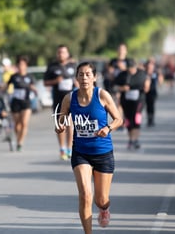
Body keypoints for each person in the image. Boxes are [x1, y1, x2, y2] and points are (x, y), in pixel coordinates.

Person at [54, 61, 123, 233]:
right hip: (80, 153)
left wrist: (107, 128)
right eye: (81, 74)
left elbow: (118, 119)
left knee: (101, 199)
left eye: (88, 74)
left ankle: (104, 208)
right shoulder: (69, 98)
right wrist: (60, 126)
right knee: (85, 195)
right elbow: (61, 121)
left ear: (94, 77)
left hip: (103, 152)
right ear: (76, 77)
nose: (84, 78)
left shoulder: (102, 95)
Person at [44, 44, 77, 160]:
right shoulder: (52, 66)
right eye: (59, 52)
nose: (61, 54)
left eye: (63, 52)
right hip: (58, 99)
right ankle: (62, 148)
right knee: (60, 124)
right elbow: (45, 82)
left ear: (67, 54)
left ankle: (69, 148)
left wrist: (77, 84)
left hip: (71, 98)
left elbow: (79, 79)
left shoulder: (73, 65)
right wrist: (55, 81)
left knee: (70, 124)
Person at [114, 59, 150, 149]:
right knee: (129, 121)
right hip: (126, 100)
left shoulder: (142, 73)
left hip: (139, 100)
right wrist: (122, 88)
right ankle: (131, 140)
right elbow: (114, 86)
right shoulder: (123, 75)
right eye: (129, 68)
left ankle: (136, 139)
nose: (131, 70)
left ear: (136, 67)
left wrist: (147, 85)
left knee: (136, 119)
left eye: (133, 68)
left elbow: (147, 82)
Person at [5, 55, 37, 151]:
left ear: (26, 65)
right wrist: (1, 88)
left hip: (26, 102)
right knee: (17, 124)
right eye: (19, 64)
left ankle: (20, 142)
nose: (21, 66)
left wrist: (34, 90)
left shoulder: (29, 77)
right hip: (15, 102)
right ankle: (18, 137)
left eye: (23, 64)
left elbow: (32, 86)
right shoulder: (14, 76)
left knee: (24, 123)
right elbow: (6, 86)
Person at [145, 59, 164, 127]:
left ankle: (151, 119)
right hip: (145, 92)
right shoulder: (144, 73)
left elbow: (160, 80)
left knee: (152, 106)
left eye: (151, 66)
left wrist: (160, 78)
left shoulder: (156, 73)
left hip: (153, 92)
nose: (150, 68)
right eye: (149, 66)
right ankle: (148, 119)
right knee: (147, 106)